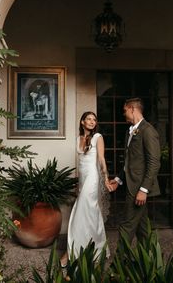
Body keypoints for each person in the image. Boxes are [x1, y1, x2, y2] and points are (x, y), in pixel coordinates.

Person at [60, 111, 113, 267]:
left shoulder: (98, 137)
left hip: (93, 177)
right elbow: (80, 164)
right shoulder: (78, 139)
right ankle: (97, 248)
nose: (92, 121)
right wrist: (78, 184)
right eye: (88, 119)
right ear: (82, 122)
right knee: (91, 213)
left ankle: (70, 253)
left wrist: (105, 178)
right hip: (83, 179)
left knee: (80, 211)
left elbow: (101, 159)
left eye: (94, 120)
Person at [110, 97, 161, 245]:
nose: (123, 114)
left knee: (127, 225)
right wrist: (119, 179)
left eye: (124, 110)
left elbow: (154, 163)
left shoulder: (148, 131)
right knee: (142, 228)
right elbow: (130, 161)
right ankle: (150, 263)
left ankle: (118, 266)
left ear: (132, 109)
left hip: (138, 187)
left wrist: (144, 189)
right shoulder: (130, 131)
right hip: (132, 184)